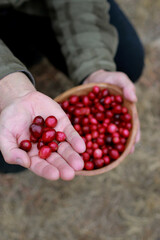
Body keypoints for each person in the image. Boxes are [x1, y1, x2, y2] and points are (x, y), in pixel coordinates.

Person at [0, 0, 144, 180]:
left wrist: (94, 66)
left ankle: (28, 49)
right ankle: (23, 52)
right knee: (7, 158)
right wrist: (6, 82)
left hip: (37, 6)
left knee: (126, 61)